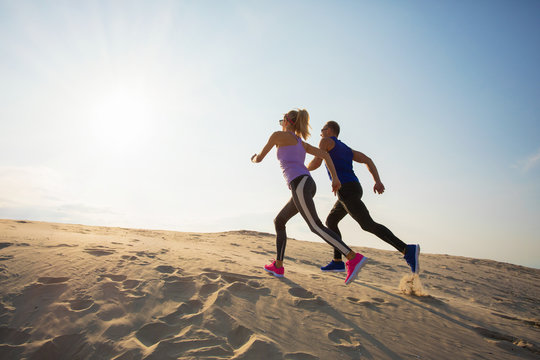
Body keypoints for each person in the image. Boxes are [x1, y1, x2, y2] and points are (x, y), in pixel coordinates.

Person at [251, 109, 367, 284]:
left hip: (300, 184)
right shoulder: (300, 143)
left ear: (287, 121)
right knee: (280, 221)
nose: (280, 123)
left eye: (281, 120)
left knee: (315, 226)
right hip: (306, 184)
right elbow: (325, 155)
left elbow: (259, 158)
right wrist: (335, 178)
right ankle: (278, 265)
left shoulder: (278, 136)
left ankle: (352, 257)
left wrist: (253, 158)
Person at [306, 121, 420, 274]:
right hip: (354, 188)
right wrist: (377, 180)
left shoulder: (325, 142)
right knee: (331, 221)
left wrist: (303, 169)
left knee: (367, 224)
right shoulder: (346, 148)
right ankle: (337, 261)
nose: (320, 133)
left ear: (330, 130)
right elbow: (368, 160)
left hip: (345, 189)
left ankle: (406, 249)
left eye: (322, 130)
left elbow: (317, 161)